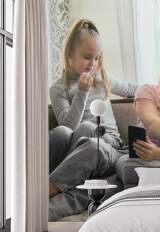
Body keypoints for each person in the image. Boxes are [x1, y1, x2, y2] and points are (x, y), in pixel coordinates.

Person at [48, 19, 138, 221]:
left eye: (97, 58)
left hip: (108, 146)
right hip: (79, 149)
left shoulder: (102, 77)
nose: (93, 64)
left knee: (89, 129)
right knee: (65, 131)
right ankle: (62, 183)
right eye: (87, 57)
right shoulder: (58, 88)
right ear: (70, 55)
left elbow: (131, 89)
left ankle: (47, 188)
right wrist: (81, 92)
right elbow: (68, 126)